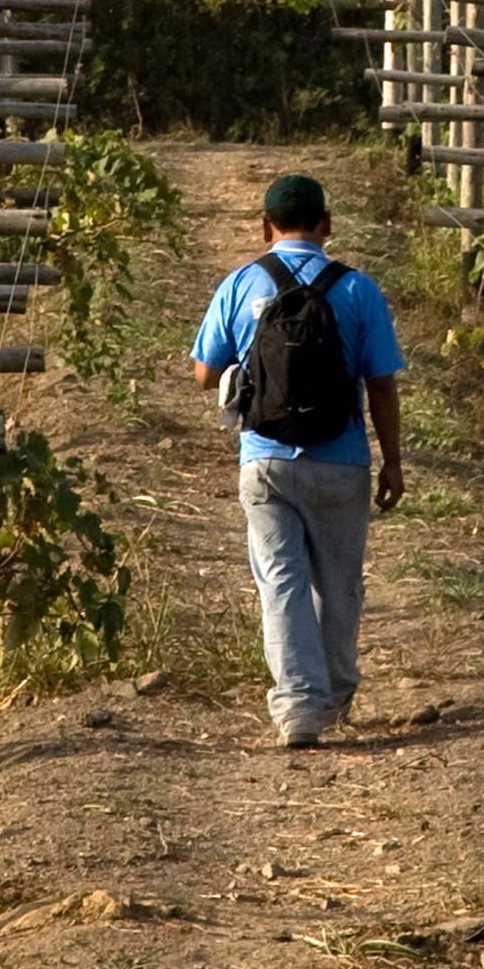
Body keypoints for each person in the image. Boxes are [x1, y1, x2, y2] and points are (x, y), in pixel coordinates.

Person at [185, 170, 408, 749]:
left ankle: (298, 709)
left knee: (280, 581)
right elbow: (381, 383)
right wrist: (393, 461)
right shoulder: (358, 289)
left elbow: (204, 372)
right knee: (339, 584)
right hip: (341, 459)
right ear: (326, 225)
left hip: (263, 461)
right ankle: (334, 696)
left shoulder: (240, 284)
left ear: (265, 227)